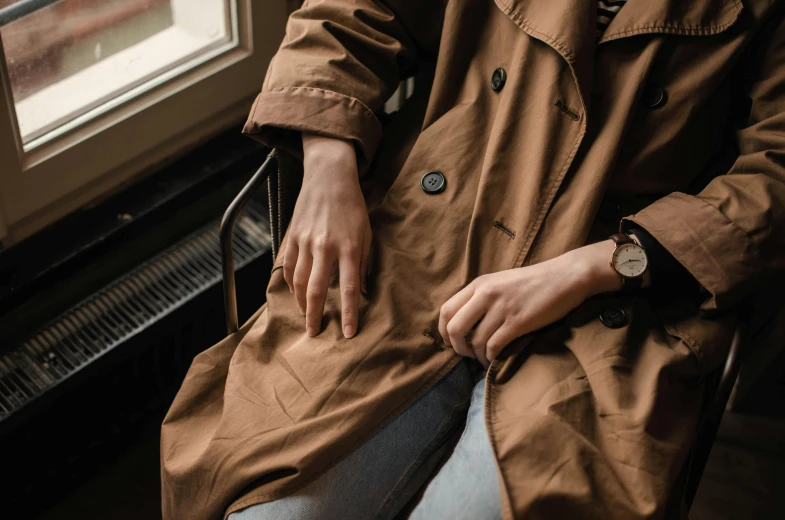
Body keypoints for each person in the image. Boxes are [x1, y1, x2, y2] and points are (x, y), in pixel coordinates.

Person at [161, 0, 785, 518]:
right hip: (421, 239)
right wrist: (327, 167)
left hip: (622, 290)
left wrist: (602, 264)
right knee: (266, 503)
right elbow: (349, 14)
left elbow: (774, 174)